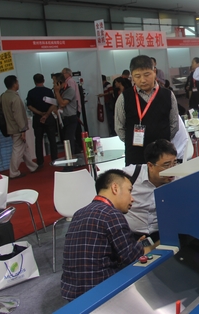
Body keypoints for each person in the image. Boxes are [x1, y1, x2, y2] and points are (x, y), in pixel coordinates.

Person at [61, 169, 151, 301]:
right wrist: (149, 246)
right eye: (129, 191)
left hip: (71, 292)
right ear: (115, 188)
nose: (132, 199)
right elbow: (133, 258)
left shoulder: (79, 213)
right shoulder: (112, 214)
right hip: (101, 292)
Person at [115, 55, 179, 165]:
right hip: (135, 154)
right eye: (137, 76)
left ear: (154, 72)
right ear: (132, 76)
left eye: (147, 75)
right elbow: (119, 127)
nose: (143, 80)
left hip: (163, 154)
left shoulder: (168, 95)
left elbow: (174, 124)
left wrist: (162, 141)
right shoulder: (124, 97)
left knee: (164, 176)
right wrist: (132, 141)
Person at [122, 139, 177, 244]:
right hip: (131, 235)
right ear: (150, 166)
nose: (172, 169)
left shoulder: (179, 179)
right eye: (166, 165)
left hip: (162, 235)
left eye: (174, 163)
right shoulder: (130, 175)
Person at [0, 75, 38, 179]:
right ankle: (14, 172)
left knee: (23, 148)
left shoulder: (3, 96)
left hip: (9, 127)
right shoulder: (15, 98)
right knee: (17, 149)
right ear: (14, 84)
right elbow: (18, 115)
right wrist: (23, 130)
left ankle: (32, 166)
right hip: (17, 128)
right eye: (17, 82)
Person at [26, 74, 58, 168]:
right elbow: (53, 104)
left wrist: (40, 113)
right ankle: (54, 159)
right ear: (43, 80)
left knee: (38, 140)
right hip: (49, 117)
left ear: (34, 81)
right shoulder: (48, 91)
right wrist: (47, 114)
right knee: (52, 139)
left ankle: (40, 161)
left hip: (37, 118)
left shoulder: (31, 92)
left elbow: (29, 106)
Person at [54, 73, 80, 154]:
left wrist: (57, 92)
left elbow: (62, 103)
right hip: (63, 118)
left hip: (71, 118)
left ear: (59, 82)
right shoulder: (61, 91)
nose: (53, 84)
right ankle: (77, 153)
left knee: (69, 139)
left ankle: (71, 157)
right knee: (67, 139)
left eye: (54, 82)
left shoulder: (70, 90)